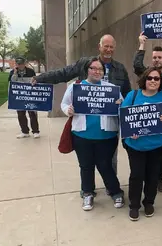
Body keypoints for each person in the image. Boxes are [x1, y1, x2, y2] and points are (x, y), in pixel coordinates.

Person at [32, 34, 131, 197]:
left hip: (109, 124)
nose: (108, 49)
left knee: (109, 161)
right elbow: (63, 73)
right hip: (85, 125)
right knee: (87, 163)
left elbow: (126, 93)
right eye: (105, 46)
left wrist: (124, 105)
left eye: (111, 46)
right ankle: (88, 190)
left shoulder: (120, 69)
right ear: (99, 47)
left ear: (115, 48)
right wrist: (41, 78)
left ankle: (111, 187)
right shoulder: (85, 63)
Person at [60, 58, 124, 211]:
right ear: (86, 70)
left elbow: (123, 106)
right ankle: (87, 192)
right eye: (93, 68)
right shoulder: (75, 87)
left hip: (106, 136)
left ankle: (115, 191)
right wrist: (67, 110)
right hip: (82, 135)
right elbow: (63, 104)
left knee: (105, 165)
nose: (97, 72)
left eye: (100, 69)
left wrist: (120, 104)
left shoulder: (111, 89)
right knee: (86, 166)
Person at [122, 68, 162, 221]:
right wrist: (130, 130)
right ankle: (134, 205)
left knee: (152, 177)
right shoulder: (133, 96)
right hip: (136, 145)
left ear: (160, 82)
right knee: (136, 176)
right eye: (150, 78)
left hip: (157, 146)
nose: (153, 81)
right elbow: (124, 117)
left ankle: (149, 202)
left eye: (156, 79)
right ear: (144, 79)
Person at [133, 32, 162, 192]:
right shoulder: (148, 74)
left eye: (159, 57)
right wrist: (141, 44)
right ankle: (147, 177)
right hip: (146, 118)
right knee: (146, 149)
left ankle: (158, 178)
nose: (156, 60)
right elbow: (137, 65)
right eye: (154, 57)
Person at [8, 56, 40, 139]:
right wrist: (15, 73)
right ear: (16, 64)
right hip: (19, 97)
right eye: (18, 64)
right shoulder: (12, 72)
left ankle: (36, 131)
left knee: (32, 113)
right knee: (21, 114)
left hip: (29, 96)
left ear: (24, 64)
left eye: (21, 64)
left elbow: (35, 82)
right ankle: (25, 131)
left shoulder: (31, 71)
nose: (20, 66)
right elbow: (12, 83)